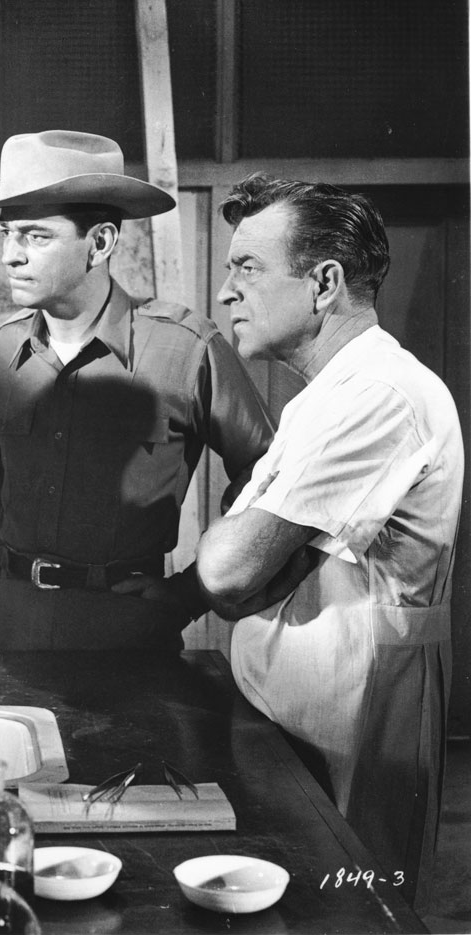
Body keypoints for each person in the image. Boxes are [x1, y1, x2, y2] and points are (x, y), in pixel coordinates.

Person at [196, 174, 463, 909]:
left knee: (354, 911)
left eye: (248, 268)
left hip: (355, 717)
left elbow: (225, 569)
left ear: (324, 284)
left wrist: (245, 542)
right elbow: (239, 566)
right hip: (297, 709)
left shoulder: (380, 394)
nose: (226, 291)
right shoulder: (328, 396)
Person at [0, 130, 274, 651]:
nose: (10, 255)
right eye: (7, 233)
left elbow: (268, 478)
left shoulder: (185, 348)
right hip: (10, 626)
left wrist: (192, 590)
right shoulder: (2, 352)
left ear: (99, 243)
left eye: (36, 237)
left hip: (124, 632)